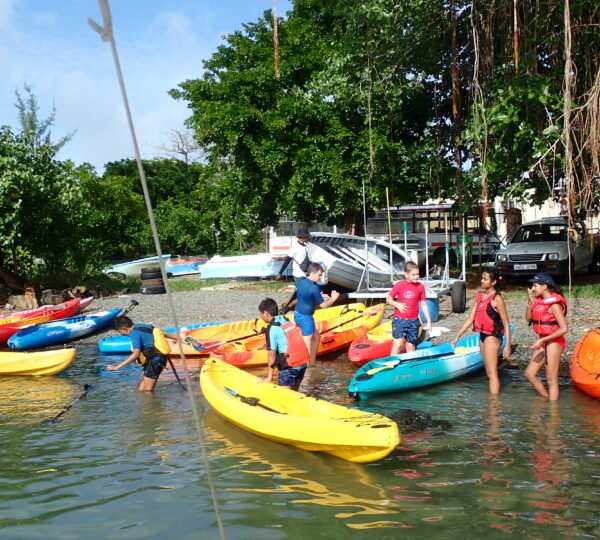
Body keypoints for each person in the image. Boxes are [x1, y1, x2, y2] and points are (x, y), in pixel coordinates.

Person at [451, 267, 512, 394]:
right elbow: (470, 318)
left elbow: (506, 323)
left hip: (492, 337)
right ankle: (492, 404)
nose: (481, 281)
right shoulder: (479, 296)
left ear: (493, 282)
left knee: (492, 373)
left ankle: (494, 406)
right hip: (482, 336)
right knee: (488, 372)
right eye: (482, 278)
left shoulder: (497, 299)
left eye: (485, 279)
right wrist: (458, 335)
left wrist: (507, 345)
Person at [524, 272, 568, 401]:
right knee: (529, 374)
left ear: (545, 286)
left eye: (535, 285)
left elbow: (564, 328)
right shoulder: (538, 301)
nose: (533, 288)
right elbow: (528, 318)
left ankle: (553, 415)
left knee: (551, 379)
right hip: (544, 341)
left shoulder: (554, 305)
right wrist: (529, 301)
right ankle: (546, 399)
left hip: (554, 341)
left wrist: (542, 339)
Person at [107, 315, 177, 392]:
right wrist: (182, 339)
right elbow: (164, 333)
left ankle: (151, 404)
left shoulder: (133, 334)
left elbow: (135, 354)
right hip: (155, 360)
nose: (121, 334)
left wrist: (117, 367)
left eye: (120, 332)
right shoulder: (143, 326)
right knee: (140, 388)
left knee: (147, 391)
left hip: (155, 361)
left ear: (124, 329)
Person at [294, 262, 339, 367]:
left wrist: (320, 297)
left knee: (316, 337)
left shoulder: (301, 281)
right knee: (307, 347)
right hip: (306, 319)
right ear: (313, 273)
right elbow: (323, 306)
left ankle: (312, 363)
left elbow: (306, 297)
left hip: (297, 314)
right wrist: (333, 299)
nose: (320, 278)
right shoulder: (314, 288)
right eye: (319, 275)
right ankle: (308, 370)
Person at [257, 297, 308, 390]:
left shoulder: (272, 329)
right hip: (302, 364)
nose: (260, 317)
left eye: (260, 314)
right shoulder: (284, 319)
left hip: (289, 367)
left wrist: (269, 377)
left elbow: (271, 355)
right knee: (294, 394)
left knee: (286, 397)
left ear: (265, 313)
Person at [386, 261, 432, 356]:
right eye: (413, 274)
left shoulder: (420, 287)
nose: (416, 276)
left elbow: (423, 304)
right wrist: (397, 304)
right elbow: (388, 299)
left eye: (418, 274)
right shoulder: (400, 285)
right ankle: (392, 364)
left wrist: (429, 321)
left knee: (411, 346)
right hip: (399, 320)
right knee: (398, 344)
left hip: (413, 321)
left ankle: (410, 363)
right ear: (406, 275)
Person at [276, 227, 312, 313]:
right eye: (307, 237)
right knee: (303, 294)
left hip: (305, 274)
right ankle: (286, 309)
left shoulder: (306, 246)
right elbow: (287, 260)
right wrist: (280, 273)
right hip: (298, 275)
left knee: (301, 294)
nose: (308, 238)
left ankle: (287, 307)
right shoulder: (294, 247)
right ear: (303, 237)